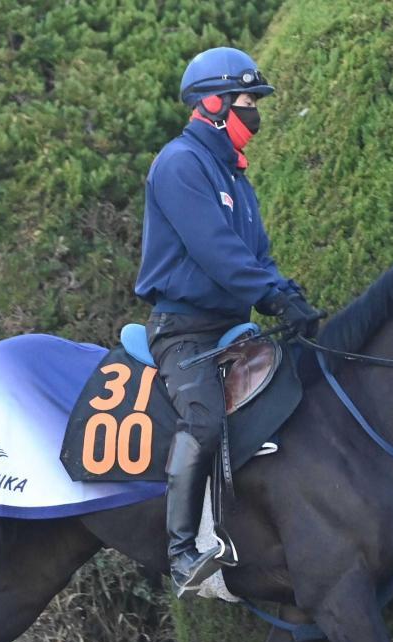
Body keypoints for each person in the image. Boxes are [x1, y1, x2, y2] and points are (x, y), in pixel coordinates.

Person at [135, 46, 323, 598]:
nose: (254, 114)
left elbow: (256, 254)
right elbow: (217, 251)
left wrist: (288, 295)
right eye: (247, 102)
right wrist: (270, 295)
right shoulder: (180, 164)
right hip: (185, 329)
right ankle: (181, 552)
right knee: (205, 419)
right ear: (212, 105)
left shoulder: (236, 179)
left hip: (231, 326)